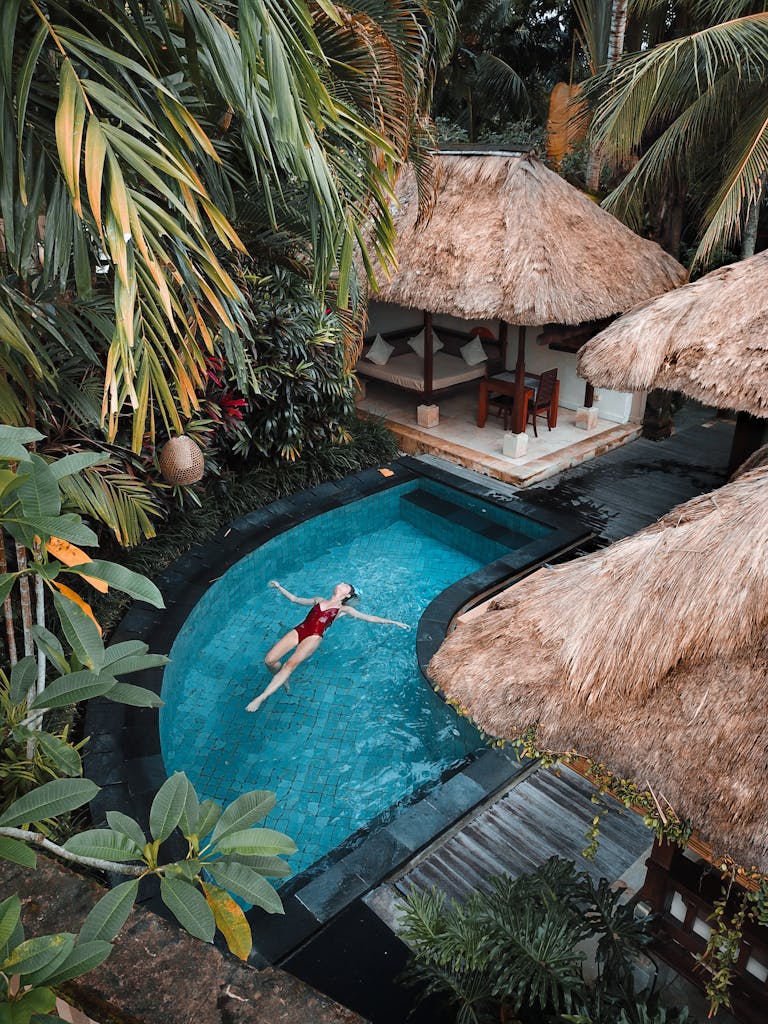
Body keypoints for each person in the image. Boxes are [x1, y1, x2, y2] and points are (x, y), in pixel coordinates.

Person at [245, 580, 411, 711]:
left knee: (288, 665)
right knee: (269, 660)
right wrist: (279, 587)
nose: (342, 583)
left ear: (347, 595)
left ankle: (261, 697)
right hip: (300, 629)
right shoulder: (318, 600)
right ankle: (283, 679)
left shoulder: (343, 610)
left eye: (346, 585)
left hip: (313, 637)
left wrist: (394, 622)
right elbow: (295, 599)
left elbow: (369, 618)